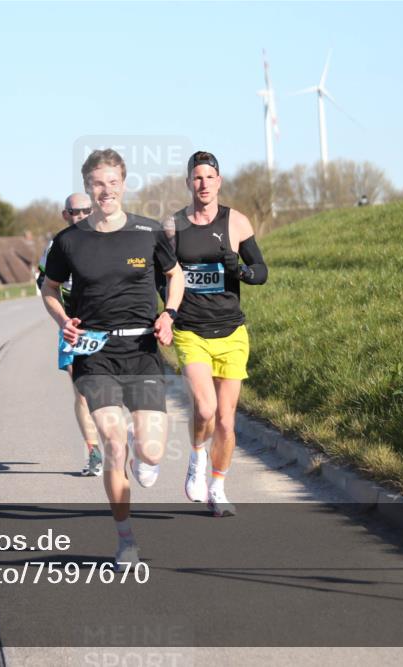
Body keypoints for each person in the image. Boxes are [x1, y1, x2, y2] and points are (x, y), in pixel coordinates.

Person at [41, 148, 184, 569]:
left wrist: (169, 315)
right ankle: (126, 541)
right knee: (113, 442)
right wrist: (64, 320)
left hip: (141, 350)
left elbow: (174, 276)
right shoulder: (69, 241)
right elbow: (50, 289)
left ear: (124, 183)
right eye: (98, 184)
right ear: (88, 186)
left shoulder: (148, 231)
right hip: (94, 352)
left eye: (113, 182)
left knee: (152, 453)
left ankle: (147, 456)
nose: (106, 190)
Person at [166, 151, 268, 517]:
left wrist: (239, 271)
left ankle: (218, 486)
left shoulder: (236, 222)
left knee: (226, 419)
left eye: (210, 177)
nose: (203, 184)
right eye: (197, 178)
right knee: (205, 407)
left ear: (219, 181)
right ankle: (196, 457)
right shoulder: (174, 226)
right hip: (191, 330)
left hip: (231, 331)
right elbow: (160, 277)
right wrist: (163, 314)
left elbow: (262, 272)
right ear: (189, 183)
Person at [37, 193, 103, 476]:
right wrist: (63, 318)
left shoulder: (109, 239)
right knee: (83, 392)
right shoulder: (58, 245)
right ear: (66, 215)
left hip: (106, 324)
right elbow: (44, 283)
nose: (81, 216)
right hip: (73, 327)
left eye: (86, 210)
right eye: (75, 212)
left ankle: (119, 434)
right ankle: (94, 452)